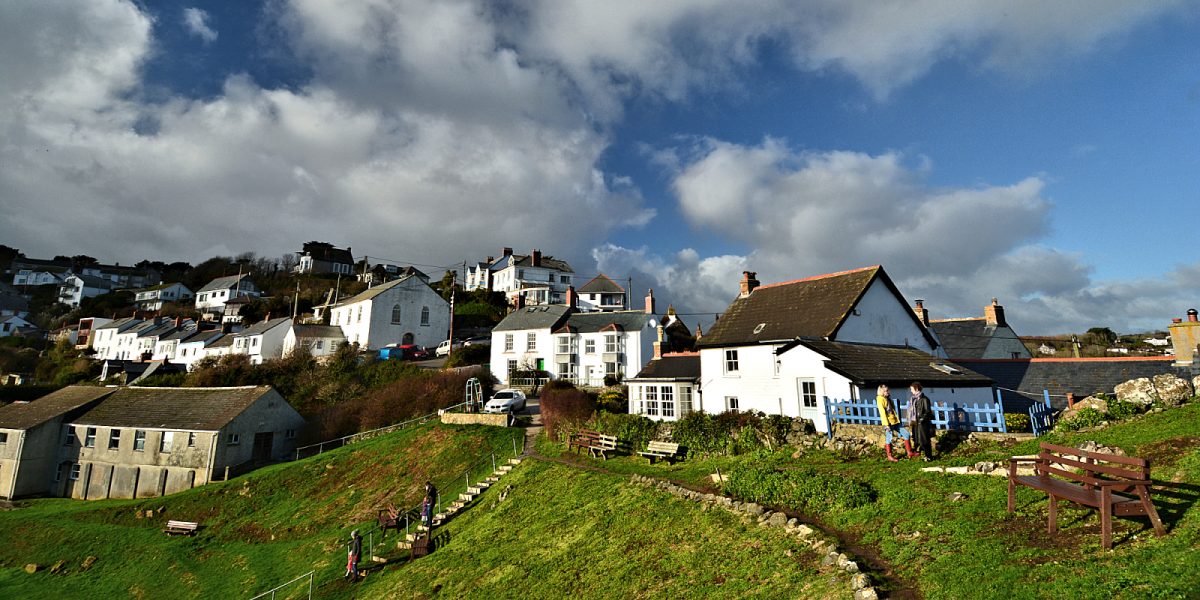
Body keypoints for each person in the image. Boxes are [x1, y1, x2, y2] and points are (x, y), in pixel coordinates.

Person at [875, 384, 918, 462]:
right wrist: (886, 425)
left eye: (887, 390)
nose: (887, 392)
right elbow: (882, 413)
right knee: (889, 439)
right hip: (889, 423)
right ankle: (889, 456)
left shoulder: (887, 398)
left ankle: (909, 452)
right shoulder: (880, 399)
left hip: (895, 421)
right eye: (885, 391)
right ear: (881, 392)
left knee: (906, 434)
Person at [909, 382, 936, 460]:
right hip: (915, 422)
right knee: (917, 439)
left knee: (924, 440)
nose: (911, 391)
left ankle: (928, 456)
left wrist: (922, 419)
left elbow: (927, 411)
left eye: (912, 389)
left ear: (916, 389)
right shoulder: (914, 399)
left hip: (922, 423)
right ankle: (924, 455)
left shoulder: (924, 399)